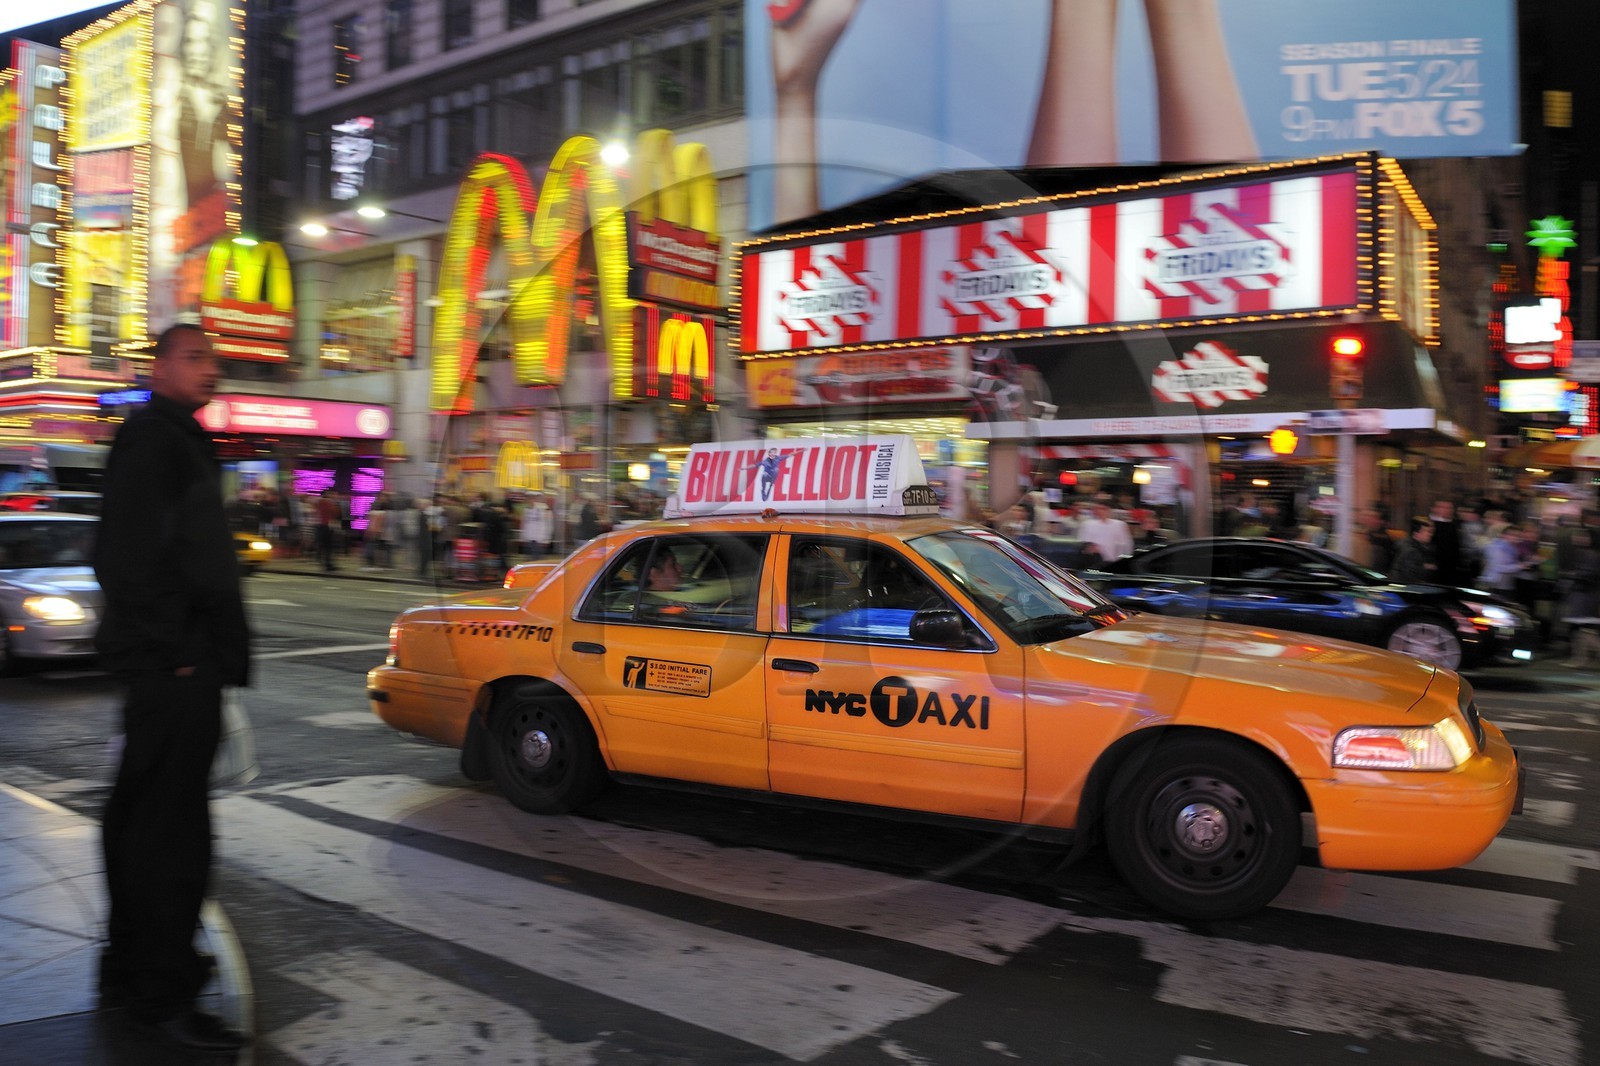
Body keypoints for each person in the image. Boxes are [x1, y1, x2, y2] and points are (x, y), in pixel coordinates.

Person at [92, 324, 250, 1052]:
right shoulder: (156, 442)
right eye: (194, 357)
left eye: (213, 358)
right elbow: (126, 558)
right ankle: (161, 991)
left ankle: (135, 968)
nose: (210, 369)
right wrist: (181, 651)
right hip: (173, 672)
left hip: (169, 667)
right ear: (157, 368)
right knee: (170, 835)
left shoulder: (172, 438)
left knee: (144, 819)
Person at [1388, 518, 1436, 584]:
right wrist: (1426, 567)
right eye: (1427, 531)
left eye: (1431, 532)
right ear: (1416, 533)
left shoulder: (1410, 545)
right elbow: (1412, 576)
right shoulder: (1411, 551)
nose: (1430, 534)